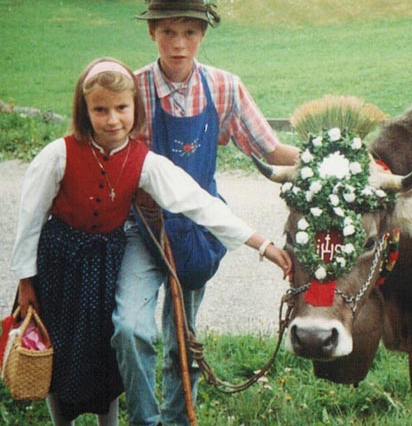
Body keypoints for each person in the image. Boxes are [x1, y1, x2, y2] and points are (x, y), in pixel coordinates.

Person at [8, 57, 292, 426]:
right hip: (60, 263)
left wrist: (263, 245)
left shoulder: (144, 162)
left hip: (104, 263)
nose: (113, 119)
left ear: (135, 109)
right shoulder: (58, 154)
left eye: (122, 108)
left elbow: (198, 203)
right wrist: (26, 281)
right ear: (84, 110)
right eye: (100, 110)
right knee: (60, 347)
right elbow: (29, 221)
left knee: (101, 349)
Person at [112, 0, 299, 426]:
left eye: (190, 32)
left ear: (203, 34)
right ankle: (144, 419)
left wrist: (332, 156)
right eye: (169, 31)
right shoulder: (131, 89)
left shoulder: (224, 87)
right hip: (142, 229)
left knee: (183, 338)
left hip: (197, 228)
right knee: (130, 328)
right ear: (153, 32)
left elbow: (270, 147)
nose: (179, 44)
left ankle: (179, 419)